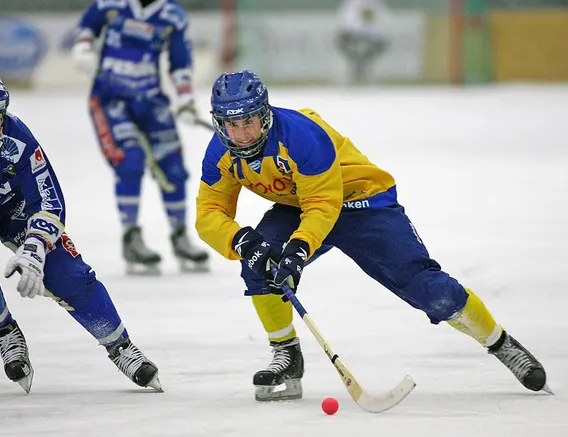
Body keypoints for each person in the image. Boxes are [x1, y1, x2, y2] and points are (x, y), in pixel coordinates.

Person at [195, 70, 550, 402]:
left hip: (361, 202)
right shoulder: (220, 152)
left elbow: (323, 203)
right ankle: (286, 355)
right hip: (300, 204)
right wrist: (242, 240)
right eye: (230, 124)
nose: (241, 134)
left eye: (248, 123)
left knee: (430, 290)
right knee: (260, 263)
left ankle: (499, 342)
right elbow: (209, 212)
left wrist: (300, 248)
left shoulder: (301, 135)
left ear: (265, 115)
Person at [0, 67, 162, 393]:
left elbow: (49, 198)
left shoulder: (17, 136)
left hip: (13, 208)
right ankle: (4, 332)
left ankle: (120, 346)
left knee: (68, 274)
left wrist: (35, 247)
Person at [71, 0, 209, 274]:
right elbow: (87, 27)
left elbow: (180, 62)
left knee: (173, 165)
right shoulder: (112, 0)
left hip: (151, 101)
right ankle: (131, 236)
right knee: (130, 162)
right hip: (110, 99)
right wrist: (83, 49)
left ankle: (179, 234)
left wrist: (185, 100)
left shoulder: (172, 15)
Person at [336, 0, 389, 84]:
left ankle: (359, 67)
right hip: (360, 34)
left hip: (356, 33)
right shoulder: (370, 0)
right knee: (365, 53)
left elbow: (345, 16)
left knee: (358, 53)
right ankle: (360, 67)